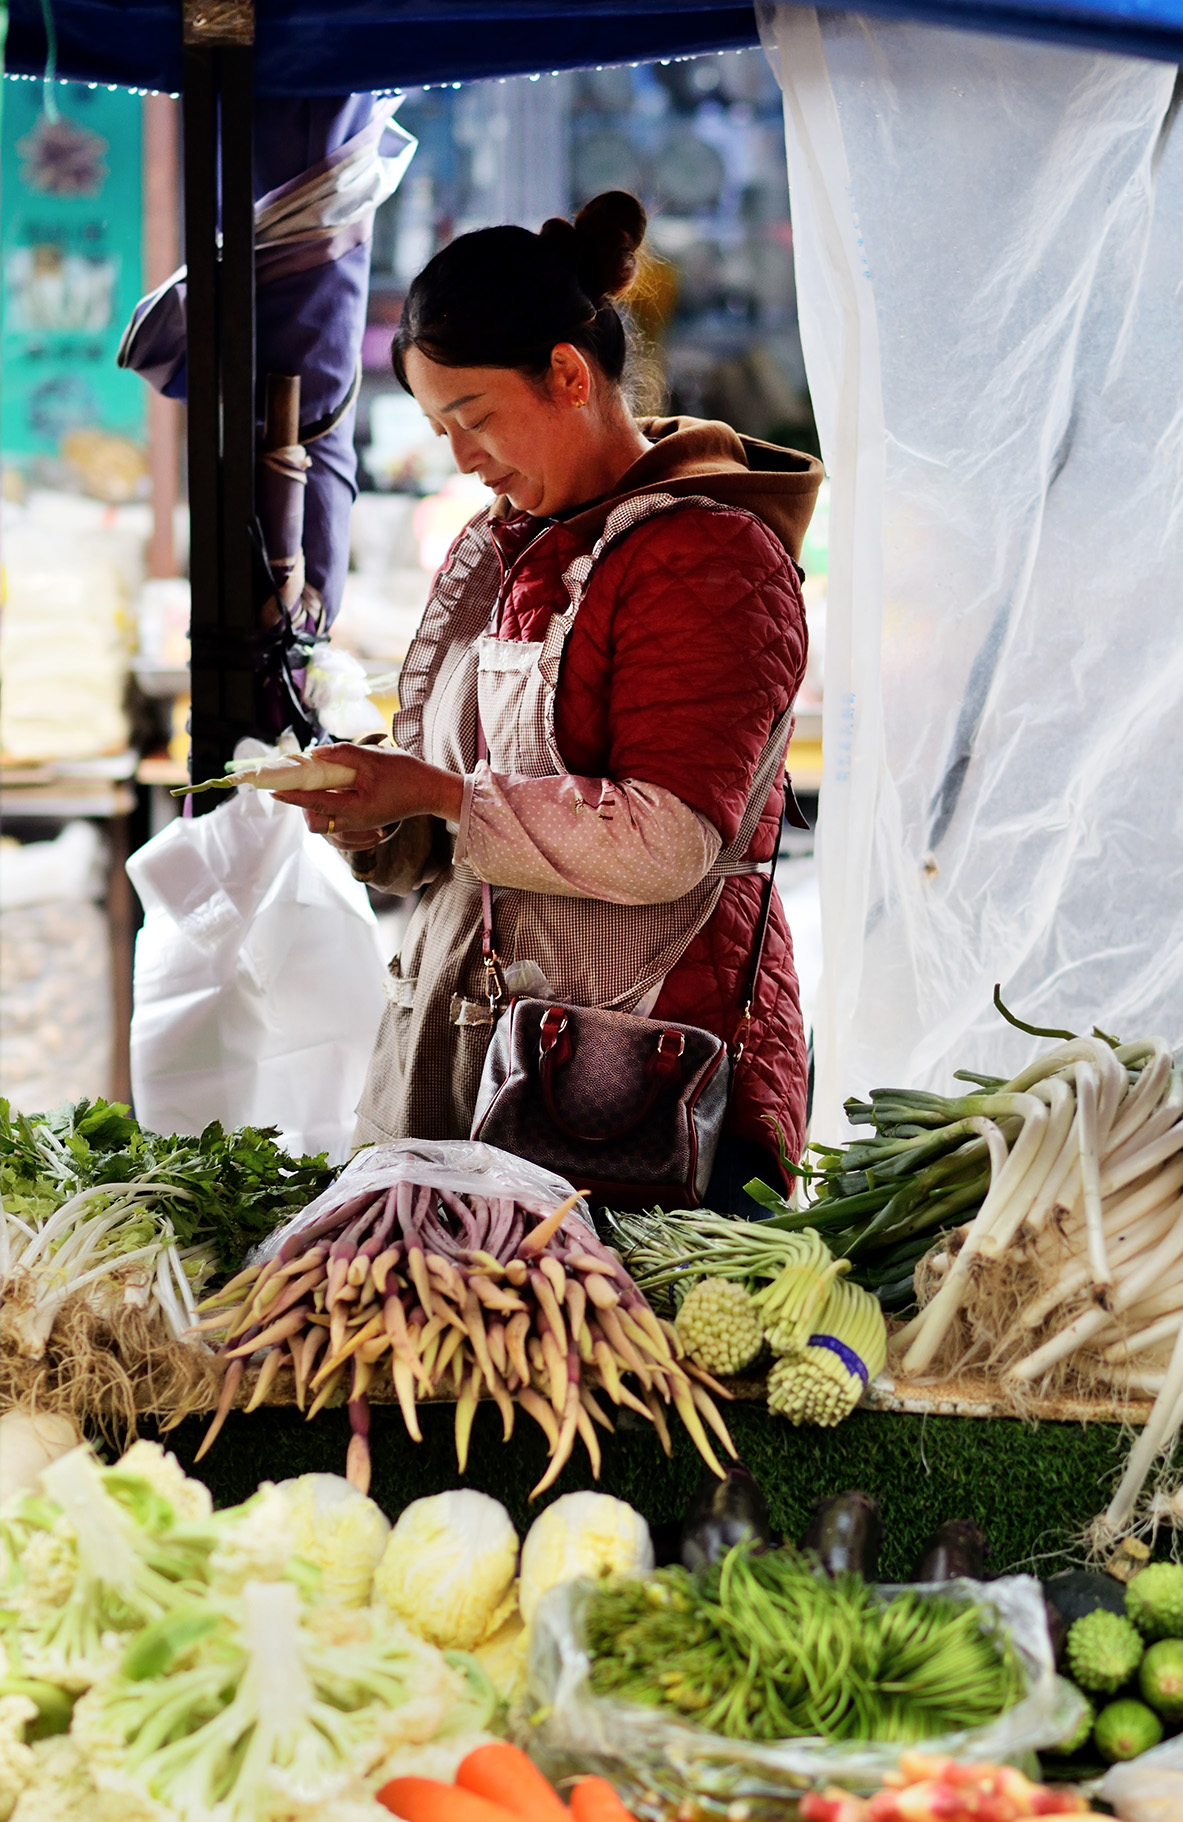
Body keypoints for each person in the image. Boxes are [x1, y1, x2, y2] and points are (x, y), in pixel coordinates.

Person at [272, 190, 821, 1210]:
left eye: (473, 417)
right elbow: (451, 839)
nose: (462, 458)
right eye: (440, 429)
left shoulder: (706, 558)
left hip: (645, 1091)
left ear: (567, 374)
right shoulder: (501, 550)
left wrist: (438, 794)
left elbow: (664, 841)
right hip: (477, 1070)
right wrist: (370, 812)